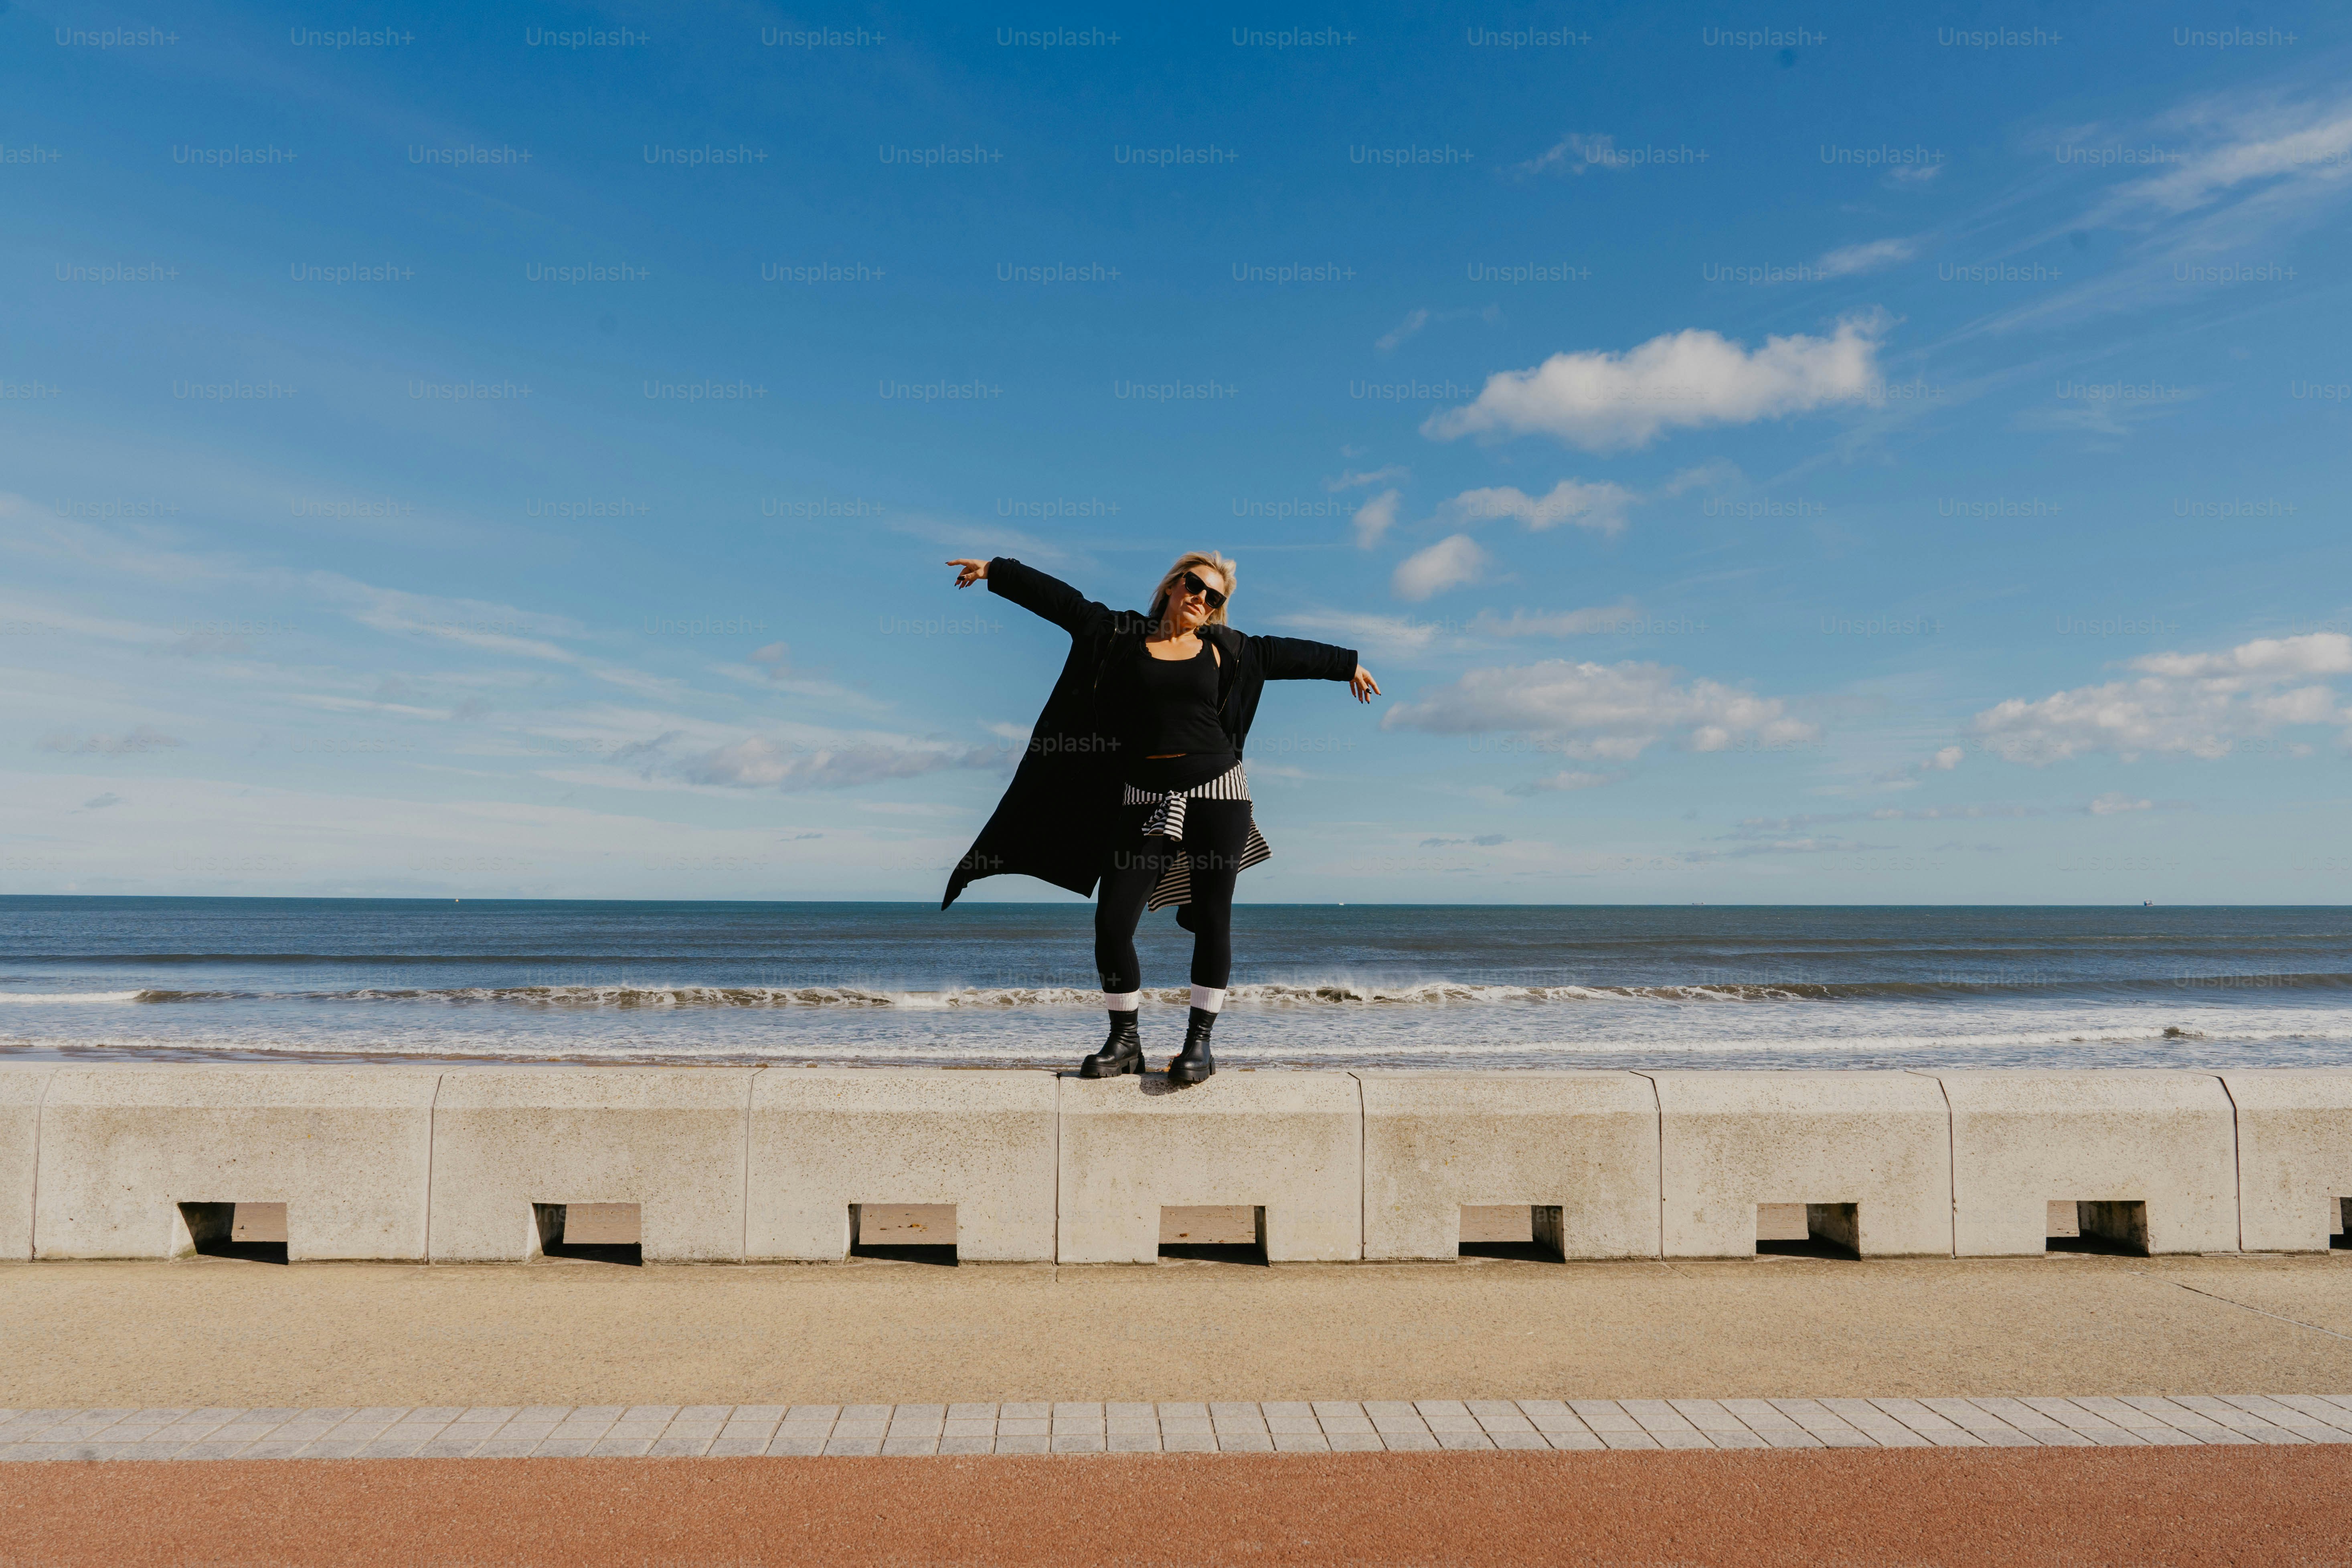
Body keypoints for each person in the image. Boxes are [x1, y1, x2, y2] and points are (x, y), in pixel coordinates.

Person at [940, 553, 1379, 1082]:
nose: (1202, 598)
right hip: (1143, 796)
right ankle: (1124, 1041)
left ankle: (1199, 1046)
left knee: (1214, 918)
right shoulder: (1118, 635)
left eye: (1214, 597)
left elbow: (1290, 654)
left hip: (1219, 793)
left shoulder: (1231, 650)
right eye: (1195, 586)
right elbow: (1065, 605)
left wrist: (1347, 665)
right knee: (1112, 922)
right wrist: (998, 571)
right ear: (1173, 585)